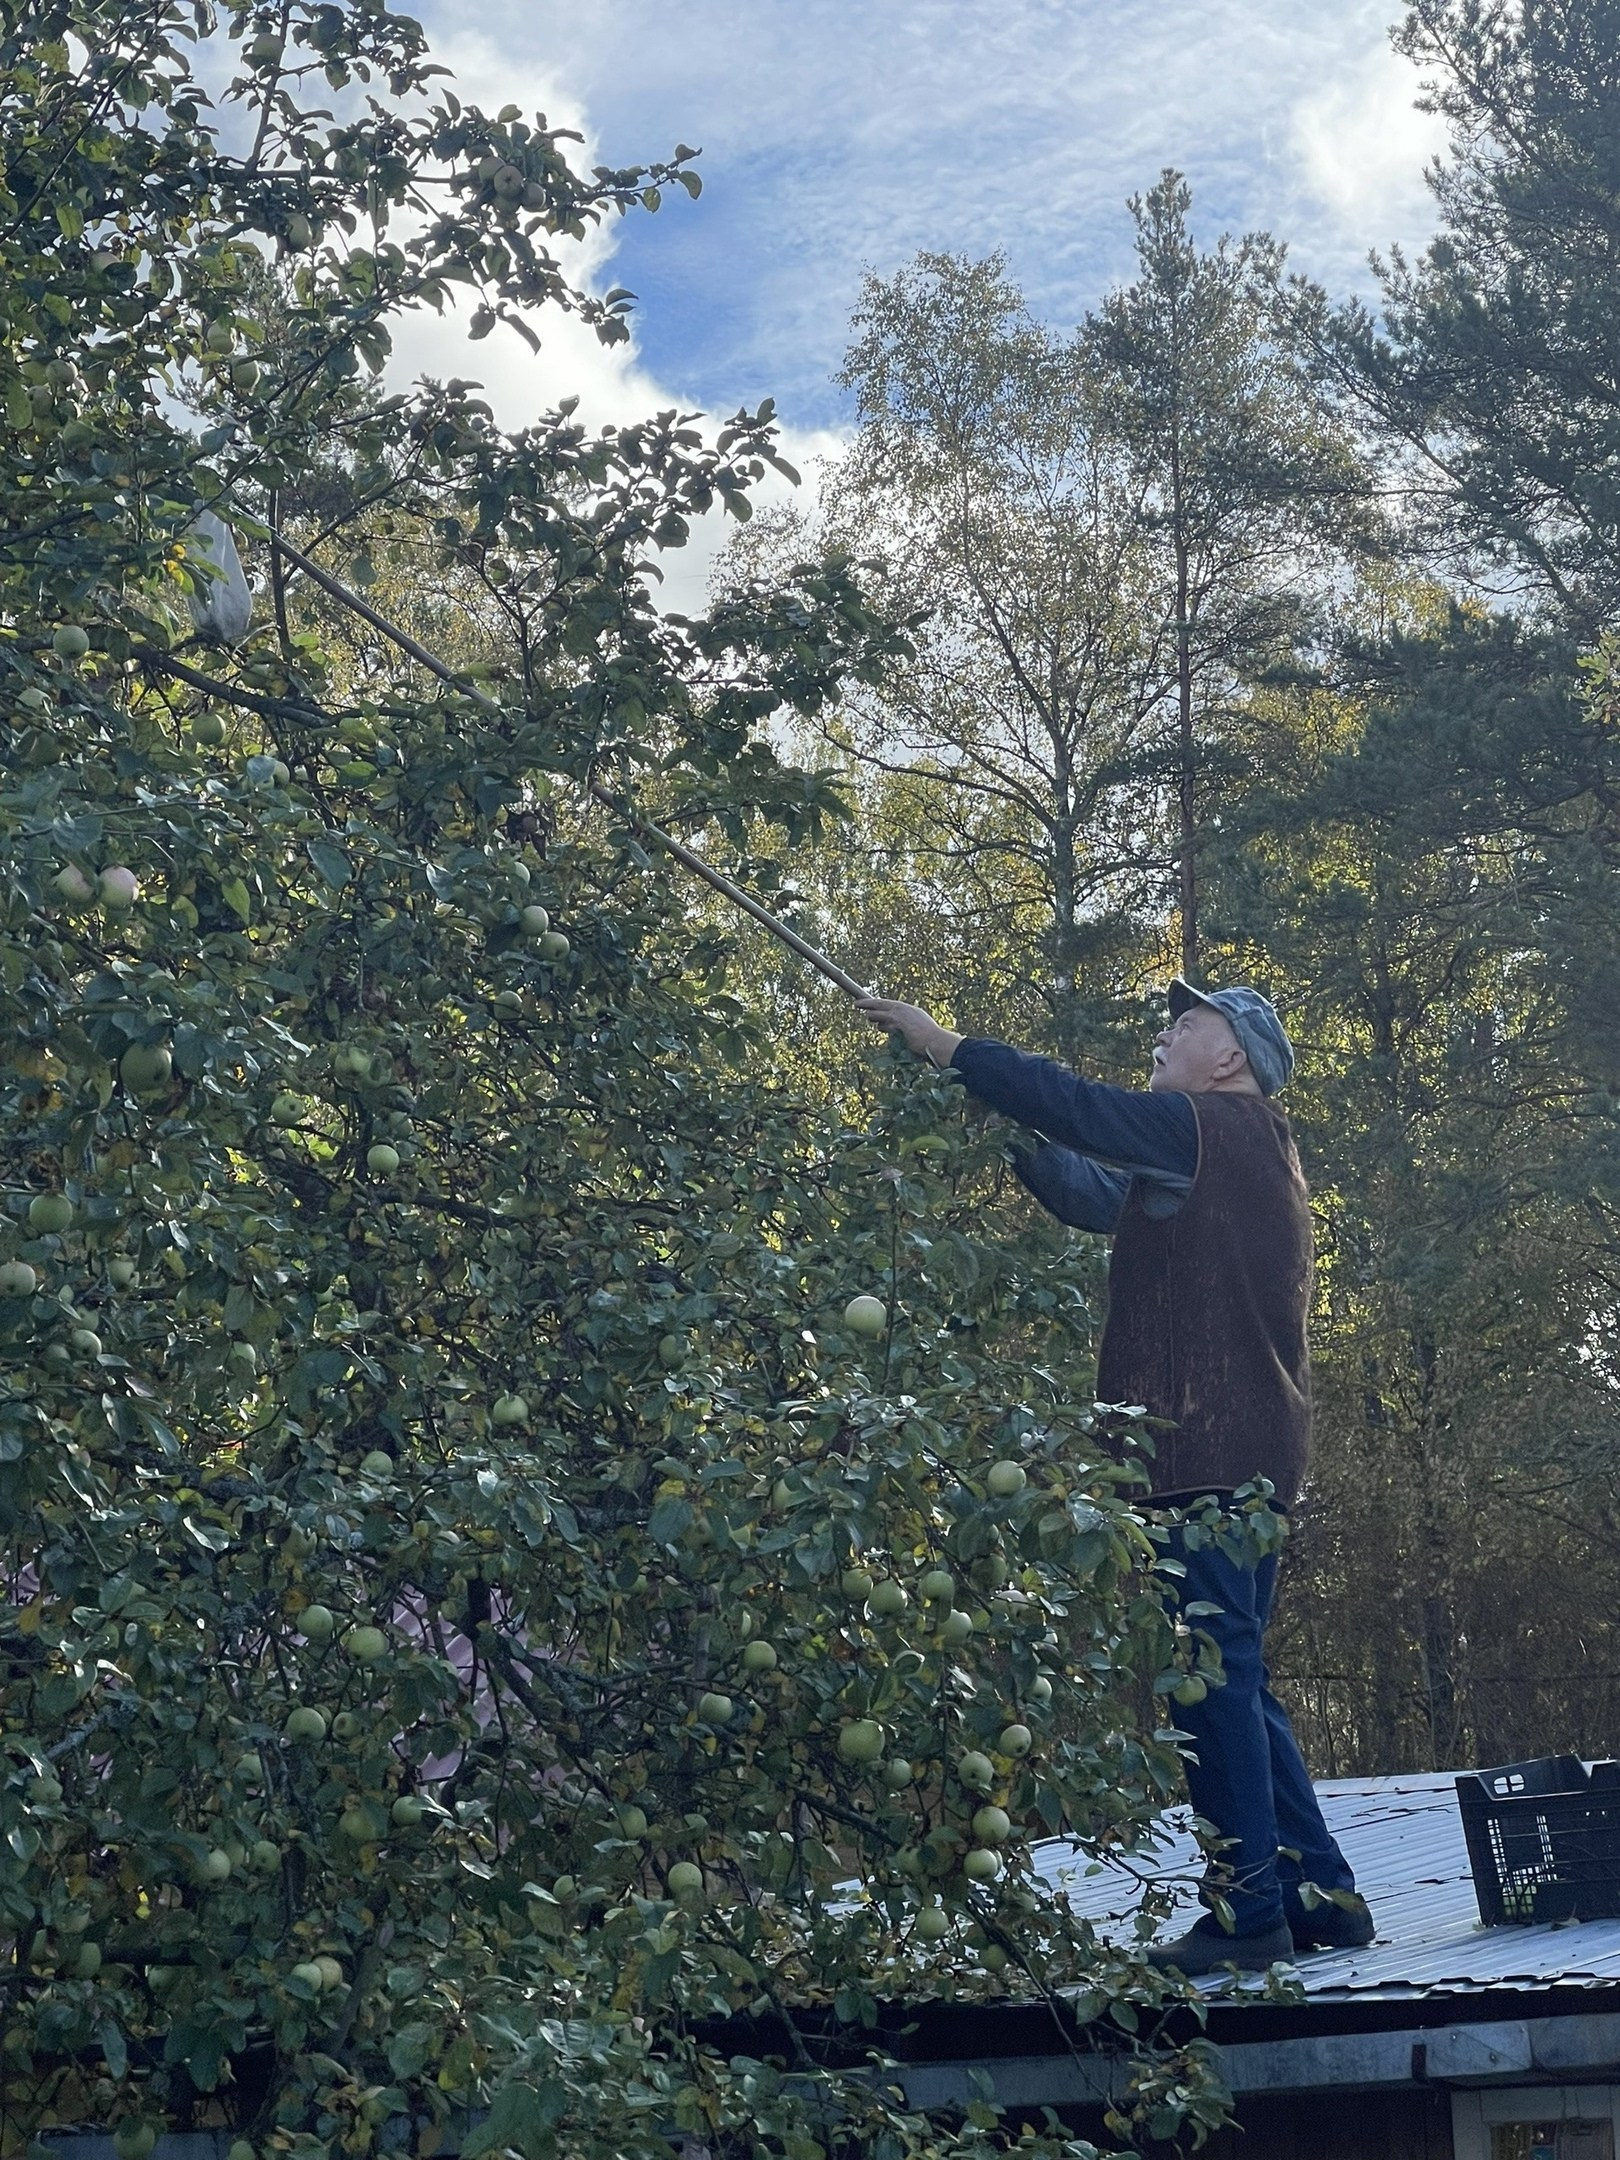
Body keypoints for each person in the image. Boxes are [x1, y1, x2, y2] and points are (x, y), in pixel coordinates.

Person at [856, 979, 1375, 1976]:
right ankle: (1322, 1894)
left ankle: (1248, 1915)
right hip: (1251, 1460)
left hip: (1209, 1460)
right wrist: (989, 1116)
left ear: (1230, 1060)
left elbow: (1077, 1107)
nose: (1164, 1032)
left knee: (1209, 1686)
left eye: (1188, 1024)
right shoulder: (1230, 1155)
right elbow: (1090, 1190)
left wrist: (947, 1043)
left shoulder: (1208, 1126)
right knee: (1240, 1682)